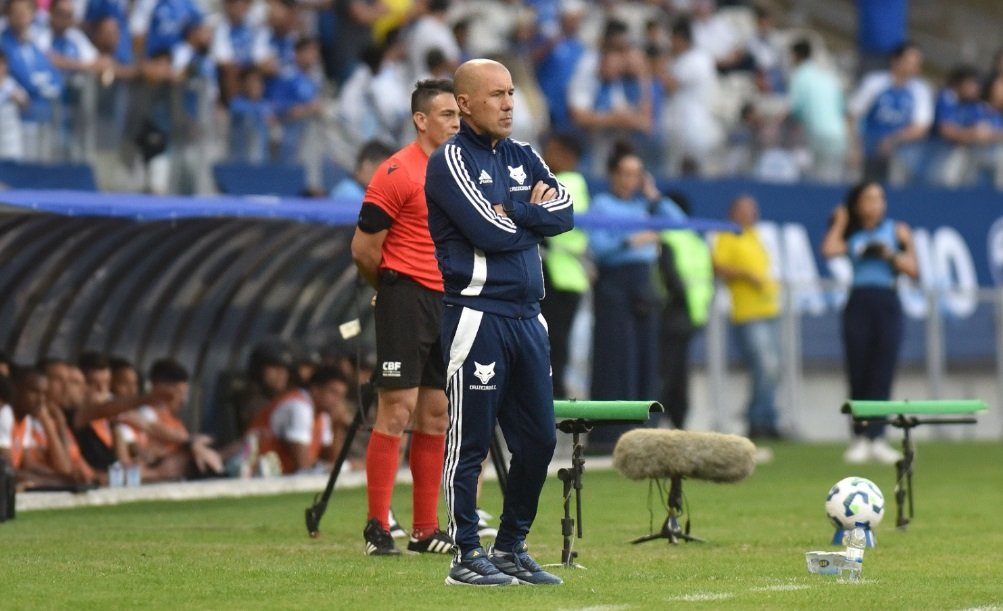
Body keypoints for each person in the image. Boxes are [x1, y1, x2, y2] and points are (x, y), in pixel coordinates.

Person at [425, 58, 573, 586]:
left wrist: (511, 207)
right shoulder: (450, 161)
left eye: (511, 93)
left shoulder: (525, 154)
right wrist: (526, 213)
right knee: (470, 439)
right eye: (495, 95)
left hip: (529, 319)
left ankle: (510, 547)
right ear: (464, 104)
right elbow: (489, 233)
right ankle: (465, 553)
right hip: (476, 314)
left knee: (538, 440)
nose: (509, 103)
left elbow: (566, 211)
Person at [350, 78, 460, 557]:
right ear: (421, 120)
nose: (456, 123)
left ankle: (425, 529)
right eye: (446, 115)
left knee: (436, 415)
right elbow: (364, 249)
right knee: (396, 409)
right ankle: (377, 525)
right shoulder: (396, 172)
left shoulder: (461, 172)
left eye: (458, 115)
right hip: (406, 297)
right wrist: (388, 292)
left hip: (448, 301)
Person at [586, 142, 685, 454]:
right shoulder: (602, 205)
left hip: (644, 285)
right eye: (625, 173)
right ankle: (609, 435)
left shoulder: (645, 207)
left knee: (645, 358)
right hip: (615, 285)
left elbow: (678, 223)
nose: (630, 180)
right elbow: (599, 249)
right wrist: (632, 240)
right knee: (617, 357)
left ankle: (644, 432)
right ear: (613, 175)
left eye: (636, 174)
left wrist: (655, 195)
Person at [820, 181, 918, 464]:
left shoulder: (897, 231)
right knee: (859, 369)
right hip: (859, 301)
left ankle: (879, 436)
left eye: (879, 199)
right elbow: (829, 250)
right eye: (869, 199)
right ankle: (860, 436)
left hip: (887, 301)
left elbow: (913, 269)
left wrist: (889, 254)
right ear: (858, 204)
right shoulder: (853, 232)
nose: (875, 205)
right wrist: (841, 220)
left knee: (883, 369)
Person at [711, 195, 784, 440]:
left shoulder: (754, 236)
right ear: (733, 213)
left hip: (769, 309)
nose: (751, 214)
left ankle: (767, 418)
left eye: (753, 209)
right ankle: (757, 420)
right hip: (747, 312)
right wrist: (744, 274)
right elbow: (717, 265)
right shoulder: (727, 235)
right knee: (765, 365)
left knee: (774, 368)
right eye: (745, 210)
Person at [539, 131, 590, 399]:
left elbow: (549, 220)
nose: (546, 156)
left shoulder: (568, 182)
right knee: (556, 343)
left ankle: (554, 397)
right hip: (565, 276)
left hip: (561, 276)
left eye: (551, 149)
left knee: (554, 344)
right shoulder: (569, 183)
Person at [658, 191, 713, 430]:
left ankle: (660, 419)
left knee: (664, 373)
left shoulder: (667, 238)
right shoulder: (695, 240)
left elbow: (671, 278)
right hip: (693, 315)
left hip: (670, 313)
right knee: (680, 373)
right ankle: (679, 421)